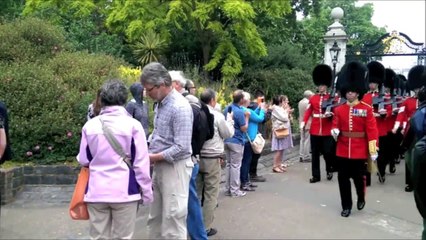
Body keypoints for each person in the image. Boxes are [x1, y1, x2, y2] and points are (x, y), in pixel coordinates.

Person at [76, 79, 153, 239]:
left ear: (102, 100)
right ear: (124, 99)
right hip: (125, 191)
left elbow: (84, 159)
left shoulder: (90, 126)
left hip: (96, 191)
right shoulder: (133, 126)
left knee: (98, 236)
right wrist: (146, 192)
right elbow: (141, 164)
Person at [141, 62, 194, 239]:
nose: (147, 94)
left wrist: (152, 157)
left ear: (162, 84)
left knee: (173, 217)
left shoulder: (180, 107)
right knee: (154, 217)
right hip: (159, 164)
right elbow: (159, 134)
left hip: (175, 167)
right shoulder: (160, 103)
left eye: (149, 90)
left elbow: (182, 147)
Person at [331, 61, 379, 218]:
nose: (349, 94)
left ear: (358, 92)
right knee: (342, 179)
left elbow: (372, 130)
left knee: (359, 178)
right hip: (343, 149)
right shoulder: (339, 109)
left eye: (352, 92)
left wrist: (373, 150)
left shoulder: (366, 109)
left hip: (359, 150)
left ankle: (361, 196)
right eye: (347, 92)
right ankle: (346, 205)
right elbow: (335, 124)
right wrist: (335, 131)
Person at [199, 88, 235, 237]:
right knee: (210, 195)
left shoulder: (194, 112)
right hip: (212, 158)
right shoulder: (217, 115)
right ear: (212, 100)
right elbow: (227, 133)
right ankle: (205, 227)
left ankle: (191, 224)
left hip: (196, 157)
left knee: (194, 193)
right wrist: (230, 121)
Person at [301, 64, 335, 183]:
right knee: (315, 154)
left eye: (323, 85)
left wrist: (332, 115)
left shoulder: (332, 98)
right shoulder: (313, 98)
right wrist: (303, 122)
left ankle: (329, 168)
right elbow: (308, 111)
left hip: (327, 129)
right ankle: (316, 176)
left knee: (328, 152)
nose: (321, 87)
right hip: (315, 129)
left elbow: (336, 111)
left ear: (326, 86)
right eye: (320, 85)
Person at [394, 65, 425, 192]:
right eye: (416, 88)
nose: (418, 91)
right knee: (409, 157)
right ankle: (410, 182)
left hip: (423, 132)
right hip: (410, 131)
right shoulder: (408, 101)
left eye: (420, 88)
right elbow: (401, 114)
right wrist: (397, 127)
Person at [223, 90, 249, 198]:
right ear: (242, 99)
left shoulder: (226, 109)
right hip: (237, 140)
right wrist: (247, 117)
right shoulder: (239, 111)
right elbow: (243, 128)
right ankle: (235, 190)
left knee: (228, 164)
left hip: (227, 139)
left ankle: (228, 188)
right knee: (236, 166)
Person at [240, 91, 265, 191]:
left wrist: (259, 108)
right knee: (246, 162)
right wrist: (262, 109)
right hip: (249, 139)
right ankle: (245, 182)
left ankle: (246, 180)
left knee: (246, 161)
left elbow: (255, 115)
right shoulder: (246, 110)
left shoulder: (243, 109)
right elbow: (259, 118)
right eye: (249, 99)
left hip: (247, 138)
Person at [271, 95, 293, 173]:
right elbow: (284, 118)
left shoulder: (280, 108)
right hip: (279, 130)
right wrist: (287, 111)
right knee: (279, 149)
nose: (287, 102)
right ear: (281, 101)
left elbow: (288, 118)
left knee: (282, 149)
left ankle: (279, 164)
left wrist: (287, 112)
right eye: (286, 101)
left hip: (284, 130)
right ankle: (275, 166)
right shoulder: (276, 108)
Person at [249, 90, 268, 182]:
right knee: (256, 154)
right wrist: (265, 111)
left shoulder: (249, 107)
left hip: (251, 134)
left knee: (250, 156)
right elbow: (262, 119)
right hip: (256, 133)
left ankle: (250, 174)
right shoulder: (256, 107)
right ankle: (252, 174)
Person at [298, 90, 314, 162]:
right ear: (309, 96)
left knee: (302, 140)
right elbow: (311, 113)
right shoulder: (308, 103)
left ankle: (301, 155)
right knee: (307, 140)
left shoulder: (300, 102)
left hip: (301, 123)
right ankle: (306, 156)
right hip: (308, 123)